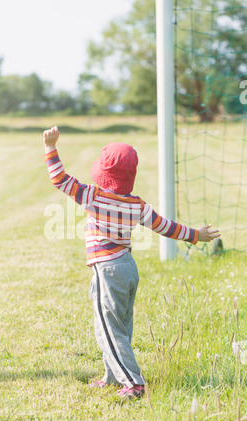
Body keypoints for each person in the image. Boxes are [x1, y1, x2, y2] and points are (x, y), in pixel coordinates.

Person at [42, 125, 221, 399]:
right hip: (127, 267)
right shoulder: (137, 205)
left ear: (102, 173)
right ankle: (113, 377)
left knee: (107, 328)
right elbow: (165, 226)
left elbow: (61, 180)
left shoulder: (94, 196)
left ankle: (133, 383)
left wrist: (50, 148)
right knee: (121, 326)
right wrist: (195, 234)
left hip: (108, 269)